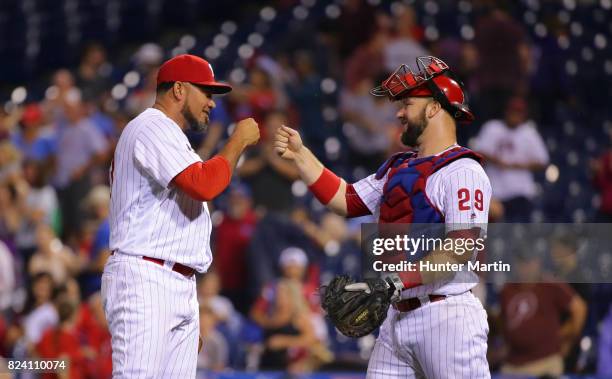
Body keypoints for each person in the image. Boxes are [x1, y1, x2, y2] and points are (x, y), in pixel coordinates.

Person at [275, 56, 492, 378]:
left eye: (407, 103)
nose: (399, 112)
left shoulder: (463, 171)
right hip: (396, 316)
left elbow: (458, 249)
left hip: (447, 315)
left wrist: (394, 281)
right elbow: (346, 200)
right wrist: (301, 156)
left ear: (434, 108)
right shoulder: (399, 167)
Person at [101, 54, 259, 378]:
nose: (213, 104)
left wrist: (180, 307)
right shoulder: (151, 126)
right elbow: (204, 185)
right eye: (206, 92)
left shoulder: (172, 137)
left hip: (175, 282)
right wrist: (238, 141)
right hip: (146, 277)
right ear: (178, 90)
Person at [472, 96, 549, 222]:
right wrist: (496, 160)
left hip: (520, 192)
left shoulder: (529, 133)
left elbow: (543, 162)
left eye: (518, 113)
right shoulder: (492, 127)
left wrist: (517, 165)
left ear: (524, 115)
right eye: (513, 112)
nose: (515, 116)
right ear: (506, 111)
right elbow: (478, 151)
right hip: (494, 192)